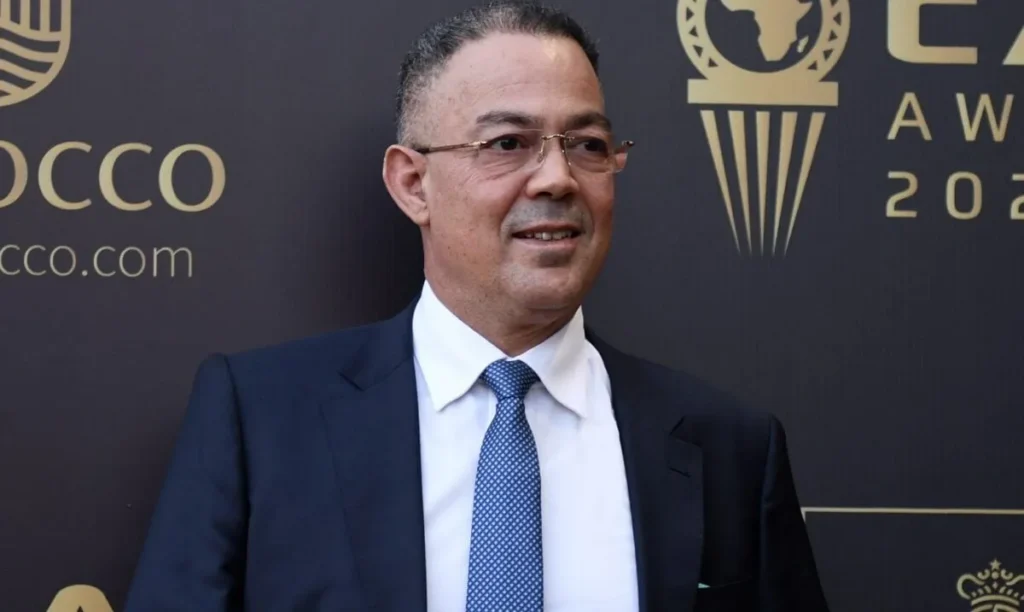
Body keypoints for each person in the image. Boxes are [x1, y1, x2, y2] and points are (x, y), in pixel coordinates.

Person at [124, 1, 829, 610]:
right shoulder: (260, 420)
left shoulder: (730, 448)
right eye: (508, 144)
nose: (557, 178)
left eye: (587, 144)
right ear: (413, 184)